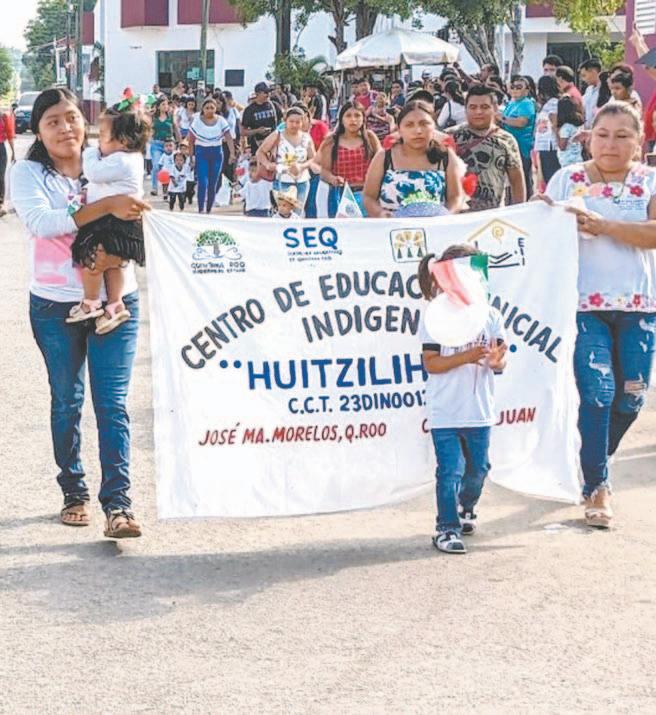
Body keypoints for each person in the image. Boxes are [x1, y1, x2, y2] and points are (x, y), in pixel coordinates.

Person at [10, 88, 149, 537]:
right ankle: (74, 490)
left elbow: (136, 214)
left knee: (112, 403)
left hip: (116, 302)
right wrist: (106, 207)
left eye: (70, 118)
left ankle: (119, 505)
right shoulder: (28, 172)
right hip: (55, 305)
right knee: (67, 400)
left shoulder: (108, 159)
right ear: (38, 130)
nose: (65, 128)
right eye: (52, 121)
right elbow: (42, 223)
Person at [543, 102, 656, 528]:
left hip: (639, 307)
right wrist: (541, 214)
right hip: (581, 306)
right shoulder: (567, 178)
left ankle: (588, 458)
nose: (611, 144)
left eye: (622, 136)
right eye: (603, 135)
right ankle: (597, 486)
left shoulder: (649, 181)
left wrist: (603, 225)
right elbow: (543, 230)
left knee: (631, 398)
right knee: (596, 395)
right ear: (589, 138)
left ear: (638, 142)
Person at [418, 245, 507, 553]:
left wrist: (496, 361)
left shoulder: (490, 315)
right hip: (445, 412)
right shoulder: (434, 316)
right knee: (450, 471)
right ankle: (446, 528)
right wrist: (467, 356)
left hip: (479, 411)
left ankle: (465, 507)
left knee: (478, 469)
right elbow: (432, 363)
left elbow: (501, 359)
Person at [66, 107, 149, 334]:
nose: (98, 142)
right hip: (119, 223)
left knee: (92, 261)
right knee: (114, 266)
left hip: (109, 223)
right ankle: (114, 305)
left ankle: (90, 303)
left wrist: (88, 152)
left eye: (102, 136)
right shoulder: (128, 158)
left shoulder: (121, 160)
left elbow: (93, 173)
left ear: (123, 141)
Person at [363, 100, 465, 217]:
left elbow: (455, 197)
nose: (418, 131)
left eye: (424, 124)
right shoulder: (384, 157)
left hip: (434, 226)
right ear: (399, 129)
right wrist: (381, 213)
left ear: (434, 126)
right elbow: (369, 197)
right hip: (392, 226)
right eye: (409, 125)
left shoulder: (445, 156)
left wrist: (447, 215)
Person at [449, 84, 526, 211]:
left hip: (493, 216)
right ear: (465, 109)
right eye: (473, 107)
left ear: (495, 108)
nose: (478, 112)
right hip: (456, 215)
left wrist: (519, 212)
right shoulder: (450, 137)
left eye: (484, 107)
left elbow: (516, 180)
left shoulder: (507, 140)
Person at [318, 101, 381, 218]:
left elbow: (381, 163)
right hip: (340, 196)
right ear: (341, 119)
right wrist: (333, 179)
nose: (353, 120)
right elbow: (324, 171)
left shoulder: (370, 138)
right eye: (348, 116)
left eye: (357, 115)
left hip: (368, 196)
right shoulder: (331, 141)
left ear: (363, 119)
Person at [256, 105, 316, 214]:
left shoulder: (306, 137)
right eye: (291, 121)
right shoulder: (278, 135)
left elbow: (313, 159)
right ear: (285, 121)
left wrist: (302, 166)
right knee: (283, 213)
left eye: (297, 122)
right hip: (282, 180)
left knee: (297, 214)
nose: (294, 125)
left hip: (302, 181)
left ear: (302, 122)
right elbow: (260, 152)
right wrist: (267, 164)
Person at [187, 96, 236, 214]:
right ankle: (201, 208)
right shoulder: (197, 121)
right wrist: (191, 156)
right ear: (203, 109)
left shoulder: (221, 121)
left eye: (212, 108)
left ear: (216, 108)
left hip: (217, 153)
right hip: (201, 152)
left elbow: (229, 137)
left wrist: (232, 153)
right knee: (203, 182)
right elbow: (191, 140)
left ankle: (208, 209)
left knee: (213, 183)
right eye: (207, 108)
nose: (209, 110)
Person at [499, 76, 537, 197]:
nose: (515, 90)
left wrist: (502, 118)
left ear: (527, 90)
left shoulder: (526, 103)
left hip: (521, 145)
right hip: (510, 144)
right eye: (513, 87)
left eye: (519, 87)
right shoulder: (512, 102)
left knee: (523, 177)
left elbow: (521, 122)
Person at [298, 102, 329, 219]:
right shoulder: (291, 129)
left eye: (301, 118)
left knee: (312, 202)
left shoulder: (320, 126)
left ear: (307, 115)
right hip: (299, 169)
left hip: (316, 169)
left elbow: (327, 147)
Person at [241, 82, 283, 155]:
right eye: (265, 92)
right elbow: (243, 132)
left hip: (274, 144)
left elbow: (282, 123)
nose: (268, 94)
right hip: (257, 145)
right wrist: (257, 131)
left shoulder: (275, 106)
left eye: (269, 92)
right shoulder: (249, 110)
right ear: (257, 94)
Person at [534, 75, 561, 185]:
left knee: (551, 178)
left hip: (551, 146)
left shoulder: (554, 103)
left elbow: (554, 122)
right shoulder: (546, 104)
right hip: (544, 146)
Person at [149, 97, 176, 196]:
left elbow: (176, 128)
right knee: (156, 166)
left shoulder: (170, 116)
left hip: (168, 144)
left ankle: (167, 188)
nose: (165, 106)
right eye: (163, 104)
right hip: (156, 144)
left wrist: (180, 142)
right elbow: (147, 127)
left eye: (166, 104)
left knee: (168, 167)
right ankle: (154, 187)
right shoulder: (153, 117)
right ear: (158, 106)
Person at [556, 95, 584, 167]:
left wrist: (555, 132)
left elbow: (562, 146)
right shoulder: (577, 125)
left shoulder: (566, 128)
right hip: (578, 158)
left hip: (567, 161)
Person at [0, 107, 16, 218]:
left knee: (0, 176)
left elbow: (10, 134)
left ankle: (1, 204)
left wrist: (13, 152)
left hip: (0, 148)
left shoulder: (3, 116)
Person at [579, 58, 603, 129]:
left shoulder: (605, 90)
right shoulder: (588, 90)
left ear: (593, 72)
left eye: (584, 75)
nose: (583, 79)